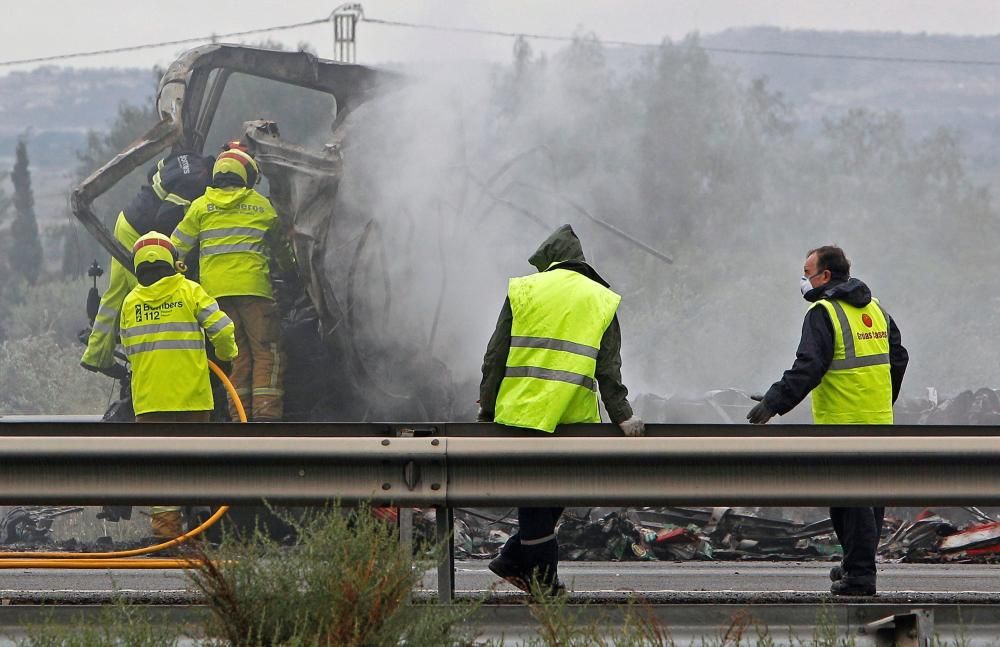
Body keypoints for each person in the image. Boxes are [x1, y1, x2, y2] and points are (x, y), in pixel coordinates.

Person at [479, 224, 644, 594]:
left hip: (521, 415)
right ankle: (543, 583)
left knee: (537, 498)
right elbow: (608, 370)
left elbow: (496, 356)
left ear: (550, 262)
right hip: (572, 420)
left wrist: (487, 411)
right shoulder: (601, 298)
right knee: (550, 498)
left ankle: (513, 562)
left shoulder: (524, 289)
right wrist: (623, 416)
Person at [746, 245, 908, 596]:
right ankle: (854, 564)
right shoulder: (875, 308)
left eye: (807, 273)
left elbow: (809, 366)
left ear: (825, 276)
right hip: (879, 421)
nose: (803, 280)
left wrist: (773, 403)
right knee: (867, 501)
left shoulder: (824, 313)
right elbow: (899, 357)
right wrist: (881, 398)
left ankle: (861, 577)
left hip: (843, 424)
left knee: (850, 502)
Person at [120, 231, 237, 537]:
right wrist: (226, 358)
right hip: (193, 399)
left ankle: (166, 532)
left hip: (149, 402)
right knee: (195, 461)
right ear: (171, 260)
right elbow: (223, 329)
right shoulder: (190, 291)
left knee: (159, 467)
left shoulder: (130, 303)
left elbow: (130, 351)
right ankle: (201, 529)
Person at [170, 143, 295, 422]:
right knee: (267, 353)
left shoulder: (200, 207)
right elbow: (284, 252)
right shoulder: (262, 207)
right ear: (247, 175)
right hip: (255, 295)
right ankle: (265, 419)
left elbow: (175, 248)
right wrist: (293, 275)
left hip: (216, 299)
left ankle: (239, 420)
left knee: (236, 357)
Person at [80, 151, 214, 377]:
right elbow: (166, 216)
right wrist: (169, 254)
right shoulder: (197, 181)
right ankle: (149, 363)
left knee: (117, 292)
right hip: (138, 234)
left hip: (127, 221)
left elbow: (153, 171)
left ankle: (96, 355)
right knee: (152, 297)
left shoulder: (187, 158)